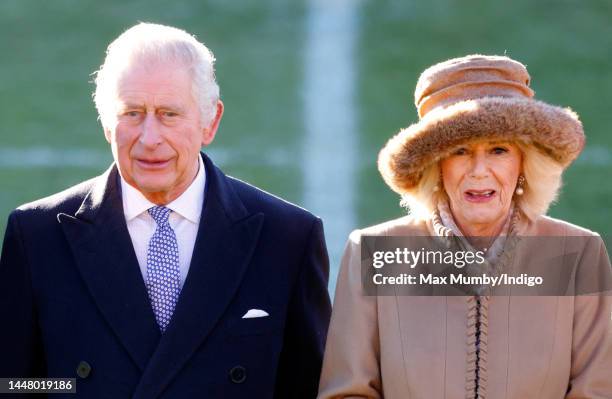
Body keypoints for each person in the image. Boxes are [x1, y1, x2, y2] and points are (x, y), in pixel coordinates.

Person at [0, 23, 331, 398]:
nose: (150, 138)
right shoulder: (36, 236)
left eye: (169, 114)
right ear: (106, 123)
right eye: (132, 113)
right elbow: (15, 385)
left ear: (211, 121)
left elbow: (308, 387)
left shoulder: (287, 237)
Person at [318, 55, 612, 398]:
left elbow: (597, 391)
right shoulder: (375, 251)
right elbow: (347, 392)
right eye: (459, 150)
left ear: (525, 163)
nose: (479, 170)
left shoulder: (578, 253)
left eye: (499, 150)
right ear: (435, 164)